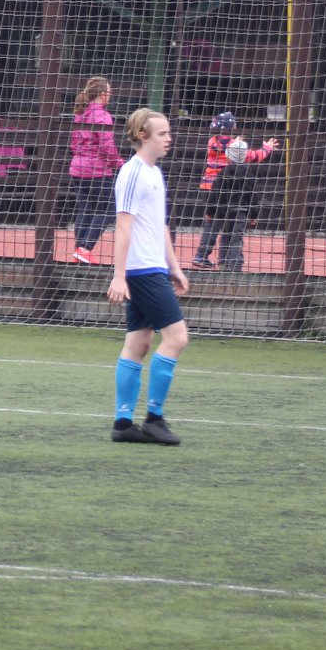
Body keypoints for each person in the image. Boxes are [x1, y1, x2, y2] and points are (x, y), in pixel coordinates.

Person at [107, 108, 189, 446]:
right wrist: (119, 276)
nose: (169, 138)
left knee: (138, 344)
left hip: (153, 267)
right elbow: (122, 226)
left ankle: (123, 424)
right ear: (142, 136)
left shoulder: (155, 172)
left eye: (168, 133)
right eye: (162, 133)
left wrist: (174, 267)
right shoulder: (132, 172)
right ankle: (154, 418)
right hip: (140, 270)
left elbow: (160, 226)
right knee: (177, 338)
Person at [191, 111, 278, 272]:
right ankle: (220, 258)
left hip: (209, 187)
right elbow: (253, 156)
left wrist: (236, 142)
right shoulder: (232, 147)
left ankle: (204, 255)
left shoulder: (212, 141)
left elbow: (226, 145)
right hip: (223, 188)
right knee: (224, 225)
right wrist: (267, 147)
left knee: (214, 222)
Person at [65, 76, 123, 265]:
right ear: (102, 94)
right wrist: (118, 163)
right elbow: (107, 145)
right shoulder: (102, 116)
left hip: (77, 167)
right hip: (97, 169)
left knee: (85, 208)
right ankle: (85, 248)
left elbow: (74, 143)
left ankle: (79, 249)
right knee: (108, 209)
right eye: (109, 91)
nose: (111, 94)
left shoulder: (79, 114)